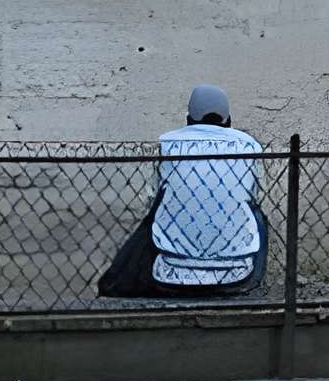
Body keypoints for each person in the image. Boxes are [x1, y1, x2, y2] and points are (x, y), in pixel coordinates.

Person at [97, 84, 267, 298]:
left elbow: (151, 198)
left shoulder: (167, 143)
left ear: (188, 120)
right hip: (237, 275)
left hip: (170, 274)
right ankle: (253, 285)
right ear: (229, 120)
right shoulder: (249, 146)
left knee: (156, 211)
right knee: (258, 215)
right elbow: (257, 195)